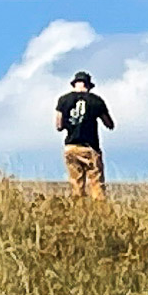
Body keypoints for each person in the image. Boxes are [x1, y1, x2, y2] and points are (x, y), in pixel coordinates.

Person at [54, 72, 114, 200]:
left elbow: (58, 125)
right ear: (88, 86)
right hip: (90, 148)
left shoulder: (63, 100)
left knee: (76, 183)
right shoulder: (96, 101)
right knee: (96, 184)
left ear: (74, 84)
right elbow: (109, 123)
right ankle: (99, 212)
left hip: (71, 147)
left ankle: (78, 211)